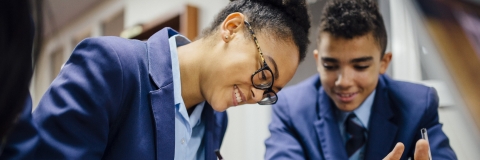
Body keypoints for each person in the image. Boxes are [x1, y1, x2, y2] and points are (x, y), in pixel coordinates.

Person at [4, 0, 311, 159]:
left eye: (271, 91)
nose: (259, 95)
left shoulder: (217, 121)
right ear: (232, 28)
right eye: (265, 74)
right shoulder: (113, 67)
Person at [265, 0, 457, 160]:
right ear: (317, 60)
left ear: (384, 62)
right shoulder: (291, 108)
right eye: (330, 66)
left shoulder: (418, 104)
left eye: (360, 66)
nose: (344, 81)